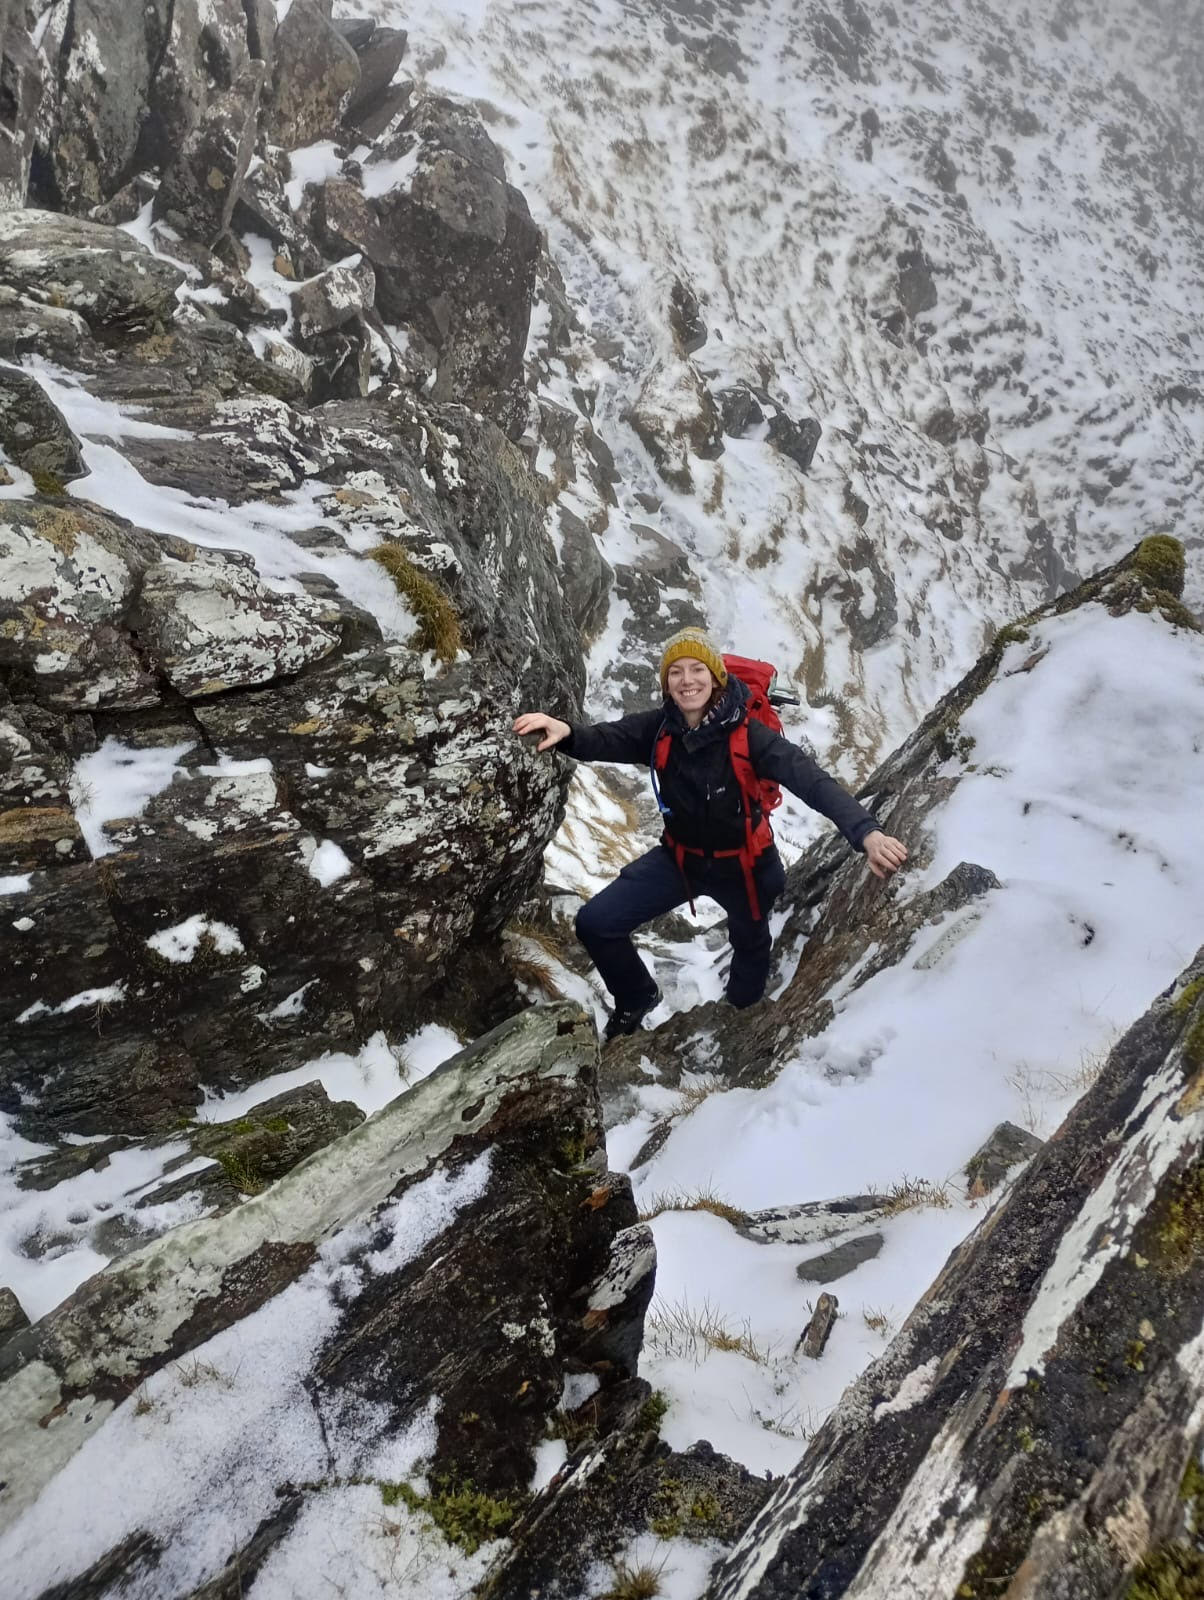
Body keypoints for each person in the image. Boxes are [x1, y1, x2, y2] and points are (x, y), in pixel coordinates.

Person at [513, 626, 908, 1040]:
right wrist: (567, 733)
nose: (687, 681)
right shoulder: (661, 729)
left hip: (747, 867)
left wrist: (867, 835)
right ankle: (636, 998)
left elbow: (812, 782)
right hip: (680, 860)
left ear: (716, 676)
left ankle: (733, 1032)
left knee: (750, 949)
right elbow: (608, 738)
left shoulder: (751, 738)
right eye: (676, 672)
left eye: (697, 669)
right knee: (596, 923)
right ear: (666, 683)